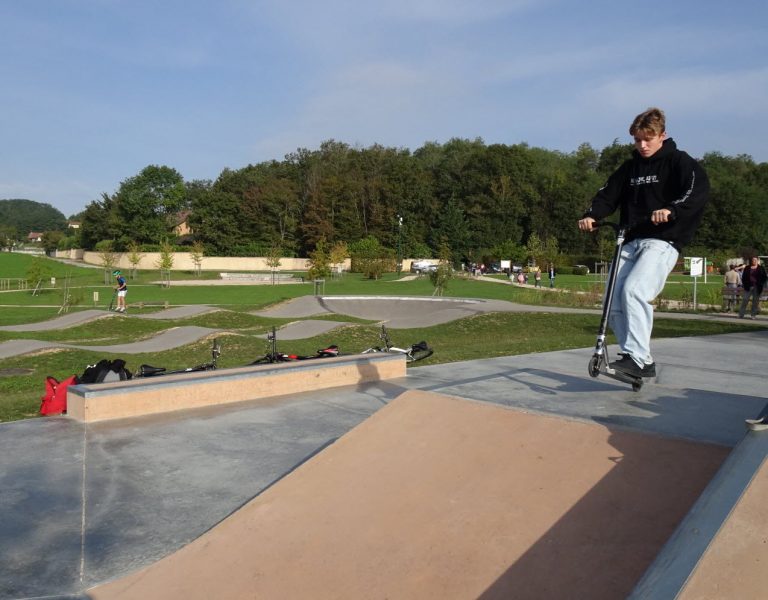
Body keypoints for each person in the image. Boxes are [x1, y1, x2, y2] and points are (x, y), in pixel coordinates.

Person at [578, 107, 709, 379]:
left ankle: (637, 357)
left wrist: (672, 210)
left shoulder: (679, 162)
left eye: (648, 139)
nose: (642, 145)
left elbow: (695, 192)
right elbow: (607, 194)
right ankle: (638, 357)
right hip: (630, 238)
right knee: (612, 300)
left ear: (663, 135)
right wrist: (592, 215)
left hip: (662, 240)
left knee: (635, 290)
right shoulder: (630, 167)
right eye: (637, 140)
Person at [738, 255, 767, 319]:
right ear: (751, 261)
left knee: (755, 301)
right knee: (745, 300)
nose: (754, 261)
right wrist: (745, 284)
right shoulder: (747, 268)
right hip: (748, 286)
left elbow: (764, 277)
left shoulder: (761, 268)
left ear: (757, 260)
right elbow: (744, 277)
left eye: (755, 260)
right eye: (753, 260)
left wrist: (761, 283)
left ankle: (753, 315)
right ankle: (741, 314)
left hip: (757, 287)